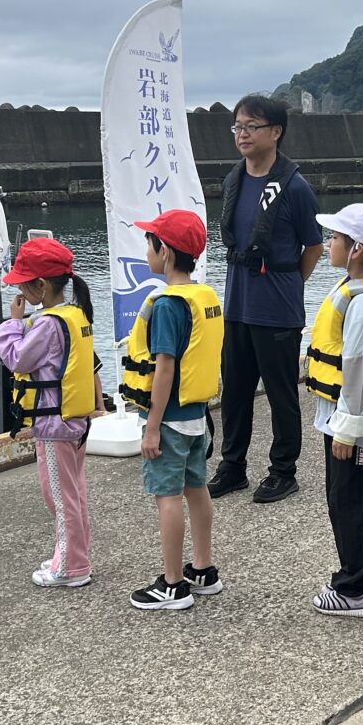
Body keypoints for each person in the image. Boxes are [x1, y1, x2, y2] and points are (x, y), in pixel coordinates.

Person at [211, 94, 323, 504]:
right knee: (235, 392)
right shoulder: (232, 180)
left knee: (281, 393)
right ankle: (232, 467)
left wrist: (291, 282)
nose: (242, 134)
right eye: (237, 126)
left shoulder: (295, 188)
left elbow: (313, 246)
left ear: (275, 132)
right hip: (238, 305)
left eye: (250, 126)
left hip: (277, 309)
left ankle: (283, 470)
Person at [119, 210, 226, 612]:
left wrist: (151, 427)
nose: (147, 250)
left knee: (167, 496)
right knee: (196, 489)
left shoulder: (167, 305)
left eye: (149, 243)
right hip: (198, 415)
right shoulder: (204, 298)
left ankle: (172, 584)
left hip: (170, 419)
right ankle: (202, 569)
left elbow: (164, 367)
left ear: (163, 251)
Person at [304, 203, 363, 618]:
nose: (329, 244)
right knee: (360, 495)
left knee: (350, 499)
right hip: (348, 413)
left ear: (358, 248)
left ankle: (355, 587)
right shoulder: (357, 289)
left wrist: (347, 429)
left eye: (336, 238)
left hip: (354, 419)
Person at [0, 237, 105, 588]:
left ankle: (71, 568)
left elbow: (17, 359)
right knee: (73, 492)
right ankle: (72, 553)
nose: (20, 292)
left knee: (58, 495)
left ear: (41, 285)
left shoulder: (46, 323)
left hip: (54, 424)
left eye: (24, 285)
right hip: (75, 420)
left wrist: (12, 322)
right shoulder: (75, 315)